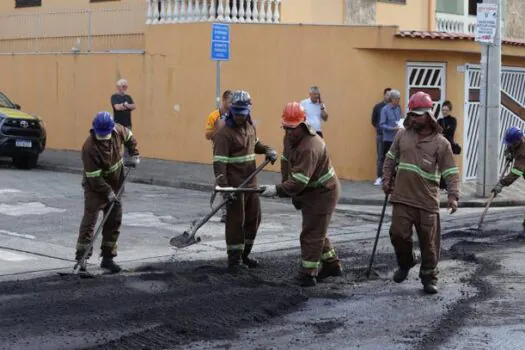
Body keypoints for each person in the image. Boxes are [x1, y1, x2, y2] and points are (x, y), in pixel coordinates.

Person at [383, 91, 459, 294]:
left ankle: (428, 277)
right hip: (402, 197)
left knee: (429, 243)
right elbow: (390, 158)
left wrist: (453, 196)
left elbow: (450, 171)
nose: (414, 118)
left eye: (418, 114)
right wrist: (387, 179)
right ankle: (406, 263)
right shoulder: (402, 135)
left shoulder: (441, 143)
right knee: (398, 234)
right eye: (412, 114)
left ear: (429, 115)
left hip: (427, 202)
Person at [260, 102, 342, 287]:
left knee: (311, 234)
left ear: (302, 124)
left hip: (323, 193)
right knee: (317, 230)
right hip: (310, 192)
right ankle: (332, 265)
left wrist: (278, 190)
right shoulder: (290, 139)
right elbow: (286, 161)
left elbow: (299, 181)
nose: (289, 133)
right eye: (286, 128)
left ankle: (307, 274)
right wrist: (284, 185)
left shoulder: (310, 146)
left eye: (293, 128)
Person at [213, 90, 277, 271]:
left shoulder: (249, 127)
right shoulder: (224, 133)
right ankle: (234, 261)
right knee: (235, 222)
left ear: (248, 110)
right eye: (237, 112)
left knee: (254, 219)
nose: (240, 117)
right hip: (234, 186)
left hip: (251, 184)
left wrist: (267, 150)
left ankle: (245, 255)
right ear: (232, 109)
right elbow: (219, 164)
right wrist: (225, 189)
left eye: (243, 113)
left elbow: (254, 144)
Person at [75, 111, 140, 273]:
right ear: (94, 129)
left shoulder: (118, 130)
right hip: (95, 188)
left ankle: (108, 258)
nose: (103, 137)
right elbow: (94, 177)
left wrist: (134, 154)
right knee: (89, 223)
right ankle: (82, 258)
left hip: (116, 184)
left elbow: (130, 138)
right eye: (100, 134)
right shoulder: (89, 148)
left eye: (106, 134)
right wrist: (108, 192)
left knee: (114, 221)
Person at [492, 127, 525, 239]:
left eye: (511, 143)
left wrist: (502, 183)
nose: (509, 145)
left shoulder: (523, 153)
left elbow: (515, 172)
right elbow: (512, 148)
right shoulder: (518, 142)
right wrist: (509, 153)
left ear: (517, 141)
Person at [205, 90, 233, 223]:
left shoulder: (234, 115)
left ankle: (232, 210)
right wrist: (219, 130)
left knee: (232, 181)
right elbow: (207, 135)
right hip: (220, 153)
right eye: (230, 102)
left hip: (233, 154)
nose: (232, 105)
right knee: (222, 181)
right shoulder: (214, 115)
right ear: (223, 100)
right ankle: (225, 212)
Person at [438, 100, 460, 190]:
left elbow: (451, 131)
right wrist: (444, 131)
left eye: (446, 110)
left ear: (450, 110)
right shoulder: (439, 120)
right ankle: (441, 184)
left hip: (449, 145)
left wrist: (444, 132)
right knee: (440, 165)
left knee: (448, 165)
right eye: (443, 110)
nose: (444, 112)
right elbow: (437, 132)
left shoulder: (453, 120)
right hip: (440, 145)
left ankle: (449, 184)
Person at [371, 88, 392, 186]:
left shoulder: (394, 107)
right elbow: (374, 121)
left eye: (390, 95)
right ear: (384, 95)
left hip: (391, 136)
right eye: (387, 95)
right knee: (380, 157)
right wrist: (380, 128)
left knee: (390, 157)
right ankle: (379, 177)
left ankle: (388, 178)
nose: (389, 97)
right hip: (381, 135)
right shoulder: (378, 107)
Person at [380, 89, 402, 164]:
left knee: (397, 160)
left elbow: (399, 120)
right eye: (398, 98)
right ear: (392, 99)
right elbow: (382, 124)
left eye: (399, 98)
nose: (399, 100)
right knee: (389, 160)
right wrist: (393, 128)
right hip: (388, 140)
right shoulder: (384, 110)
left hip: (398, 139)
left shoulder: (398, 109)